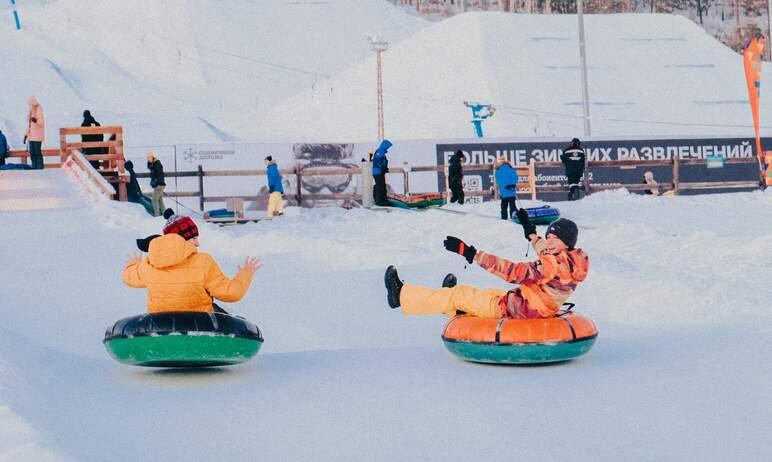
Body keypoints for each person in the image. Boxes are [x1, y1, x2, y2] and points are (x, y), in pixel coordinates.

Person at [384, 209, 588, 320]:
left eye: (555, 239)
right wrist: (532, 235)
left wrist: (471, 253)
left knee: (459, 294)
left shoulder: (552, 265)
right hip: (529, 305)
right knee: (487, 293)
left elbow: (513, 272)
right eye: (549, 237)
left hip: (520, 310)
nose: (550, 242)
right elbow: (546, 252)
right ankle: (454, 306)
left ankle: (401, 296)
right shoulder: (570, 261)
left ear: (567, 242)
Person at [124, 214, 262, 314]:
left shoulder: (149, 263)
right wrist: (246, 273)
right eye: (194, 237)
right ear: (183, 239)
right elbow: (231, 293)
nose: (198, 243)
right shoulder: (203, 262)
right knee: (226, 314)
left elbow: (128, 277)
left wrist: (133, 265)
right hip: (201, 323)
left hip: (160, 324)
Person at [24, 96, 45, 169]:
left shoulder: (39, 109)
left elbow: (42, 123)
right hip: (31, 136)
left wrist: (36, 121)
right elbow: (29, 125)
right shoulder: (31, 111)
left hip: (37, 136)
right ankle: (34, 168)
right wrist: (26, 135)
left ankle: (39, 168)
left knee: (37, 152)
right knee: (32, 153)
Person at [371, 139, 392, 206]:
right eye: (387, 147)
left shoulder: (381, 151)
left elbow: (382, 162)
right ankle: (379, 201)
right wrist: (382, 168)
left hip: (379, 172)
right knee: (380, 186)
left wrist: (385, 168)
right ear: (384, 146)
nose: (388, 148)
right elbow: (378, 161)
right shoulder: (379, 151)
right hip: (377, 172)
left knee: (381, 186)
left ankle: (382, 200)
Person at [146, 152, 166, 216]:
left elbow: (160, 175)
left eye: (149, 157)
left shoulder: (157, 165)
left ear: (153, 157)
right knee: (160, 201)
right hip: (158, 185)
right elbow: (151, 169)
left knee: (154, 200)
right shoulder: (154, 165)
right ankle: (164, 214)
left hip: (159, 185)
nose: (148, 159)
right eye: (147, 158)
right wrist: (149, 163)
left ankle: (157, 215)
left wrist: (159, 185)